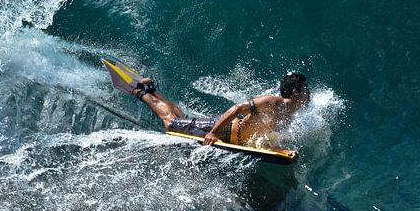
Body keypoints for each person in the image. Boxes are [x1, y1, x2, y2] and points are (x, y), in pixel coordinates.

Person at [131, 72, 309, 157]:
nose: (309, 95)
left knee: (181, 120)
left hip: (235, 138)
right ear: (295, 92)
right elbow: (237, 109)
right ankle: (141, 92)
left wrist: (282, 151)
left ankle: (151, 89)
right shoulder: (273, 103)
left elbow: (263, 140)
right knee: (171, 124)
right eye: (305, 90)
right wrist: (214, 132)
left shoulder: (290, 115)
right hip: (222, 130)